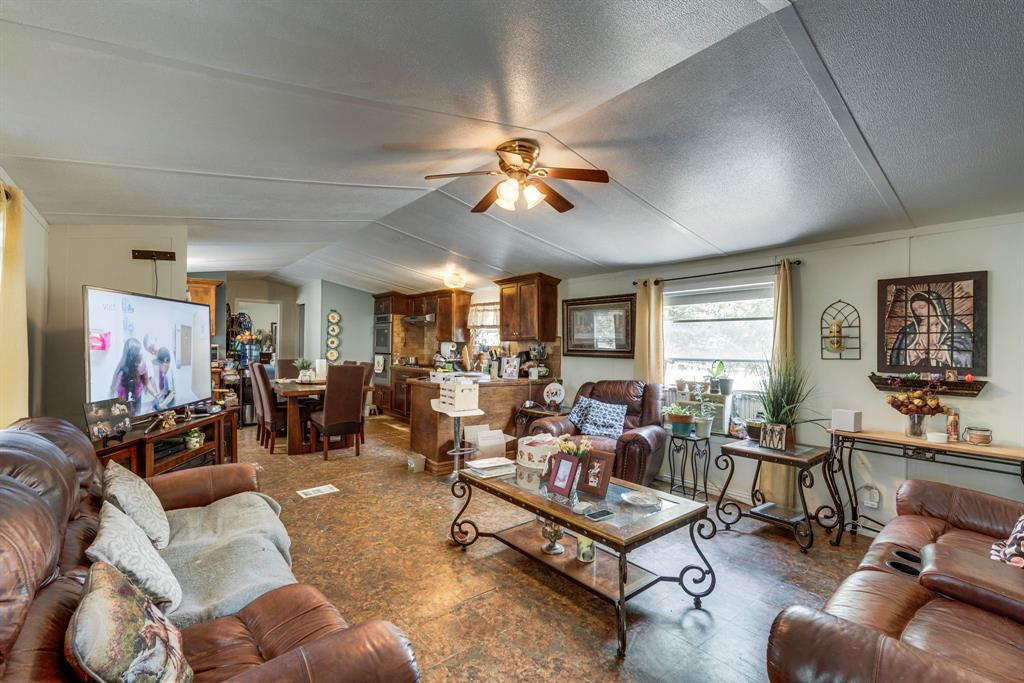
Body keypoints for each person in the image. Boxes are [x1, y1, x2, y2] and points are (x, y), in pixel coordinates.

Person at [889, 291, 973, 368]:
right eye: (915, 310)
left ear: (934, 305)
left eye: (922, 307)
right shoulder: (909, 330)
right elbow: (898, 356)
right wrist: (914, 352)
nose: (918, 312)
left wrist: (939, 352)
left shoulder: (955, 326)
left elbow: (965, 354)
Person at [110, 338, 149, 416]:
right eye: (139, 350)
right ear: (134, 354)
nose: (142, 352)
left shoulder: (141, 363)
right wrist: (130, 407)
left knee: (138, 415)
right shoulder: (122, 374)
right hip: (126, 399)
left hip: (137, 395)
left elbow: (146, 381)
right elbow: (122, 398)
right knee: (129, 418)